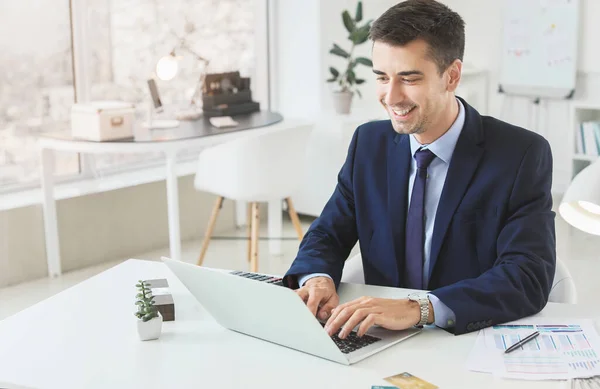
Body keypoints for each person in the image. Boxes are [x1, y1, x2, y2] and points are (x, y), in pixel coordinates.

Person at [282, 0, 556, 337]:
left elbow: (527, 277)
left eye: (409, 79)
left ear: (452, 76)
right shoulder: (369, 143)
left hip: (464, 339)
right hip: (379, 338)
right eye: (382, 77)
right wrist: (318, 278)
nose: (391, 96)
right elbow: (327, 233)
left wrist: (421, 309)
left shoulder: (520, 154)